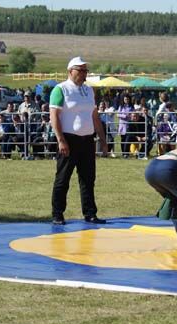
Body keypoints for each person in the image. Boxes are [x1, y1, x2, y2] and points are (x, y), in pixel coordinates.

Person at [49, 56, 108, 226]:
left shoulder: (89, 91)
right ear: (70, 71)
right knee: (63, 178)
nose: (84, 74)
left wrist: (102, 139)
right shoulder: (61, 89)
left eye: (85, 71)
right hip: (68, 139)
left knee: (88, 178)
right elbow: (54, 116)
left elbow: (94, 116)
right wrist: (61, 140)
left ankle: (90, 213)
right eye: (80, 70)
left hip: (87, 140)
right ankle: (57, 214)